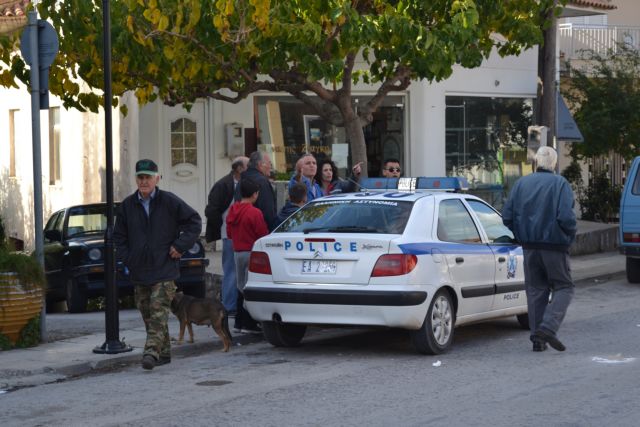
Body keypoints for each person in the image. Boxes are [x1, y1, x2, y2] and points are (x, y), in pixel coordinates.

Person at [114, 159, 202, 370]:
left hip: (164, 268)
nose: (144, 181)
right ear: (136, 179)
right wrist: (129, 258)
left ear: (157, 179)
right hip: (140, 270)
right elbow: (119, 237)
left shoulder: (169, 201)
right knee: (147, 312)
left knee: (158, 310)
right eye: (140, 177)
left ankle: (151, 352)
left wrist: (180, 246)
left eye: (148, 177)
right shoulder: (127, 206)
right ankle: (164, 353)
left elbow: (195, 222)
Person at [502, 146, 577, 352]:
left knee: (535, 290)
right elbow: (566, 218)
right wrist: (569, 236)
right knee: (564, 287)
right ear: (554, 163)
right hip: (554, 246)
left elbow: (507, 216)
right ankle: (548, 328)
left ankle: (537, 338)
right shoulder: (560, 184)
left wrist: (520, 234)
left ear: (536, 162)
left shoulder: (521, 184)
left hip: (529, 247)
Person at [204, 156, 249, 315]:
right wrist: (223, 227)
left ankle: (235, 304)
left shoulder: (244, 184)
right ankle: (229, 306)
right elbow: (212, 210)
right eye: (248, 165)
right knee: (231, 269)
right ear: (239, 168)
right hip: (229, 234)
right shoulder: (223, 185)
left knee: (238, 270)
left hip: (241, 234)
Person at [226, 178, 269, 334]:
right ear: (255, 194)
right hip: (251, 251)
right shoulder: (255, 212)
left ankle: (238, 322)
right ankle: (248, 323)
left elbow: (229, 233)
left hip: (237, 252)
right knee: (249, 287)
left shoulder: (232, 210)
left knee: (240, 286)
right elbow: (262, 234)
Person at [238, 151, 277, 231]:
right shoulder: (262, 182)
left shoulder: (241, 178)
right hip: (258, 232)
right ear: (260, 164)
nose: (271, 166)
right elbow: (268, 212)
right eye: (269, 163)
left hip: (241, 230)